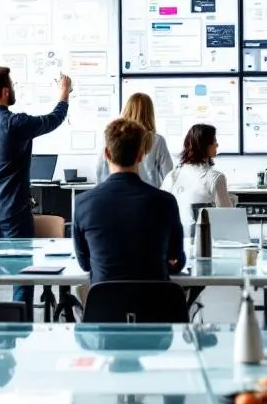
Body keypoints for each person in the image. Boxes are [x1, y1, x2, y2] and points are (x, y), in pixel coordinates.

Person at [0, 66, 71, 303]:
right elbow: (53, 119)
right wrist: (64, 95)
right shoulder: (16, 123)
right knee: (21, 275)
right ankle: (21, 333)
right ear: (4, 91)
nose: (13, 89)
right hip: (13, 212)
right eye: (12, 85)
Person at [73, 118, 185, 284]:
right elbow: (176, 258)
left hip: (105, 306)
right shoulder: (166, 202)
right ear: (140, 156)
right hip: (155, 306)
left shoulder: (83, 203)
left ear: (107, 154)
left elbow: (85, 264)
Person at [161, 124, 237, 230]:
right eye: (214, 140)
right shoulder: (216, 178)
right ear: (205, 145)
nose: (217, 144)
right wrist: (233, 201)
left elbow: (162, 211)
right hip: (208, 238)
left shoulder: (172, 176)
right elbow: (227, 216)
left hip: (178, 239)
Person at [94, 92, 173, 187]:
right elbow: (169, 176)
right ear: (150, 114)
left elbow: (100, 170)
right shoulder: (157, 140)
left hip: (116, 193)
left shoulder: (114, 137)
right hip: (150, 197)